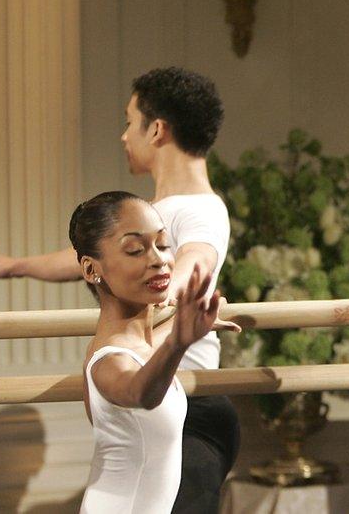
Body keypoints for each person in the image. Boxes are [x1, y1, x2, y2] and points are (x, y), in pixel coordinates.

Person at [0, 67, 236, 513]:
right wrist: (13, 267)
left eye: (128, 120)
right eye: (139, 250)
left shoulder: (199, 209)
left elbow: (197, 258)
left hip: (190, 401)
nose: (157, 257)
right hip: (160, 382)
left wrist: (175, 298)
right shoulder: (150, 214)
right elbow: (84, 257)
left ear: (156, 129)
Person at [71, 191, 237, 513]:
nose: (159, 259)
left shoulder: (138, 346)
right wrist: (179, 343)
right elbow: (141, 392)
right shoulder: (109, 361)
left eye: (162, 244)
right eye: (135, 249)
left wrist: (192, 327)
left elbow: (150, 346)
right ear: (92, 270)